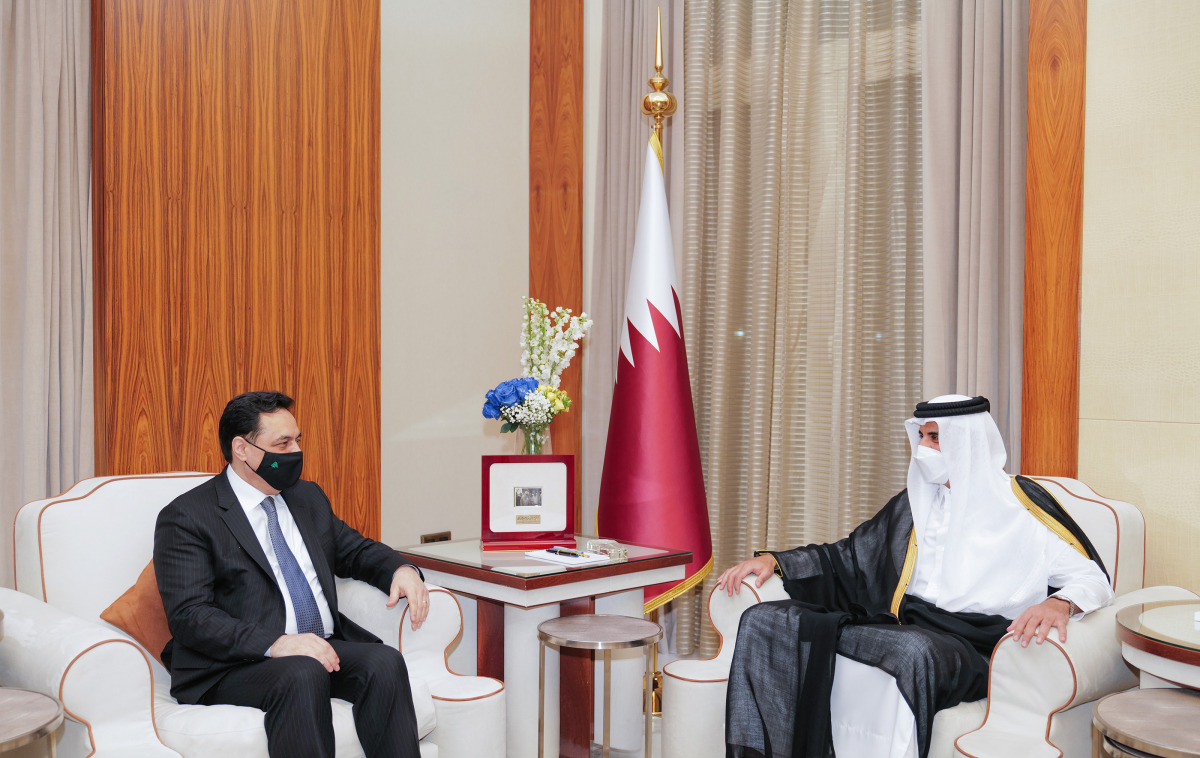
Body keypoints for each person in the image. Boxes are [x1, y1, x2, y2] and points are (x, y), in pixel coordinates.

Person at [716, 395, 1114, 758]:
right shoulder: (916, 503)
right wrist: (778, 561)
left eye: (936, 438)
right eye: (921, 436)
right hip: (902, 625)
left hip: (972, 642)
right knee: (765, 619)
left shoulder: (1023, 508)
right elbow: (849, 557)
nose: (924, 448)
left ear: (969, 442)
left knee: (912, 654)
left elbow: (1093, 578)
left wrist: (1059, 601)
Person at [154, 391, 428, 758]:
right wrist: (277, 642)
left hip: (318, 646)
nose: (295, 451)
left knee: (383, 662)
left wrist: (401, 568)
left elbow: (354, 550)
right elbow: (190, 616)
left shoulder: (305, 497)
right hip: (233, 664)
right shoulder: (188, 516)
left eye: (297, 440)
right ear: (242, 448)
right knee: (302, 672)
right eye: (282, 443)